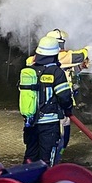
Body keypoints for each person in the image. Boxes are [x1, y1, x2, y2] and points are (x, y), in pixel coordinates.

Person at [27, 29, 91, 152]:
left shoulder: (35, 62)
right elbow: (79, 56)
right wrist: (89, 49)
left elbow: (67, 70)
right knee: (58, 140)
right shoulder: (61, 58)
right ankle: (55, 162)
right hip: (55, 111)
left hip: (35, 113)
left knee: (34, 149)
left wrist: (80, 67)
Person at [21, 35, 74, 165]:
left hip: (30, 123)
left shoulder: (30, 71)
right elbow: (64, 97)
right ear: (54, 54)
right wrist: (68, 110)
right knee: (46, 161)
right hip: (49, 125)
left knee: (30, 157)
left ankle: (25, 182)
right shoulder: (56, 72)